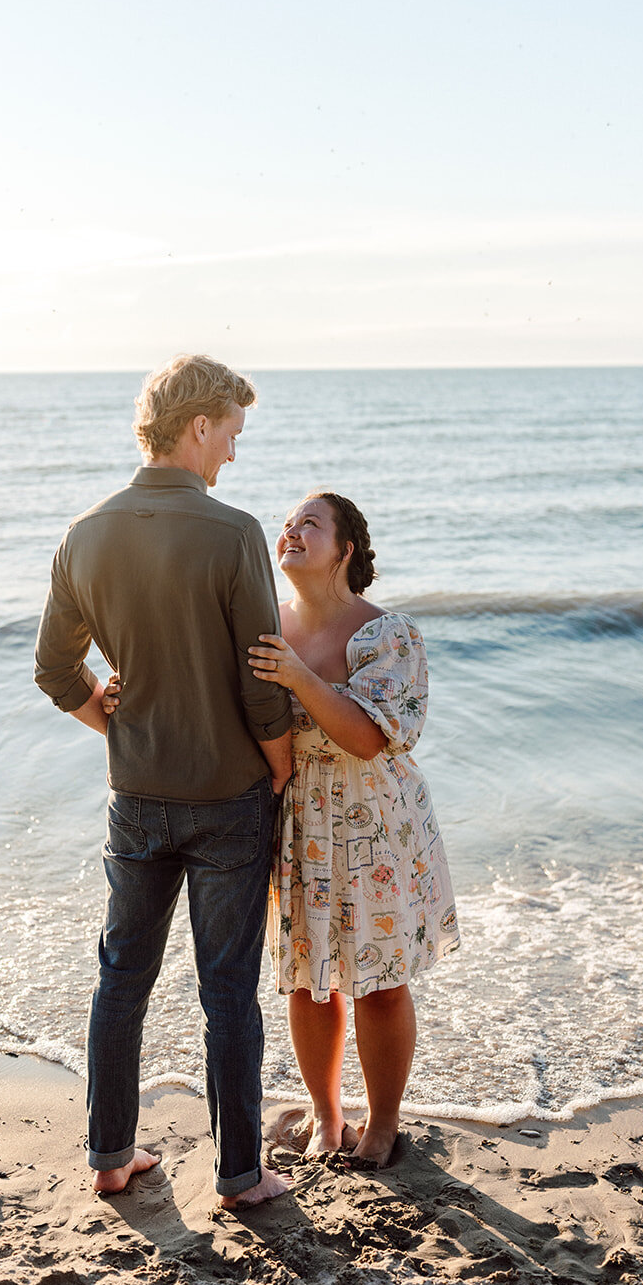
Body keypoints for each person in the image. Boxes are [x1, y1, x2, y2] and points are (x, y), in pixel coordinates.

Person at [33, 355, 294, 1208]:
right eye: (231, 434)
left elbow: (54, 671)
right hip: (228, 799)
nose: (233, 453)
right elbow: (263, 682)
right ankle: (239, 1174)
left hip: (136, 795)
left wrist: (118, 722)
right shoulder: (232, 532)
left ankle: (110, 1157)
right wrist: (282, 775)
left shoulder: (85, 533)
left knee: (122, 977)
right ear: (197, 426)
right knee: (227, 990)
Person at [248, 492, 460, 1169]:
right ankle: (325, 1114)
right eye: (287, 523)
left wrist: (298, 676)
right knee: (307, 979)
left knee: (378, 981)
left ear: (344, 550)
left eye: (310, 523)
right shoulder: (265, 625)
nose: (291, 531)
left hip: (374, 819)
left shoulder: (387, 634)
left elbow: (368, 738)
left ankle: (383, 1120)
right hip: (299, 817)